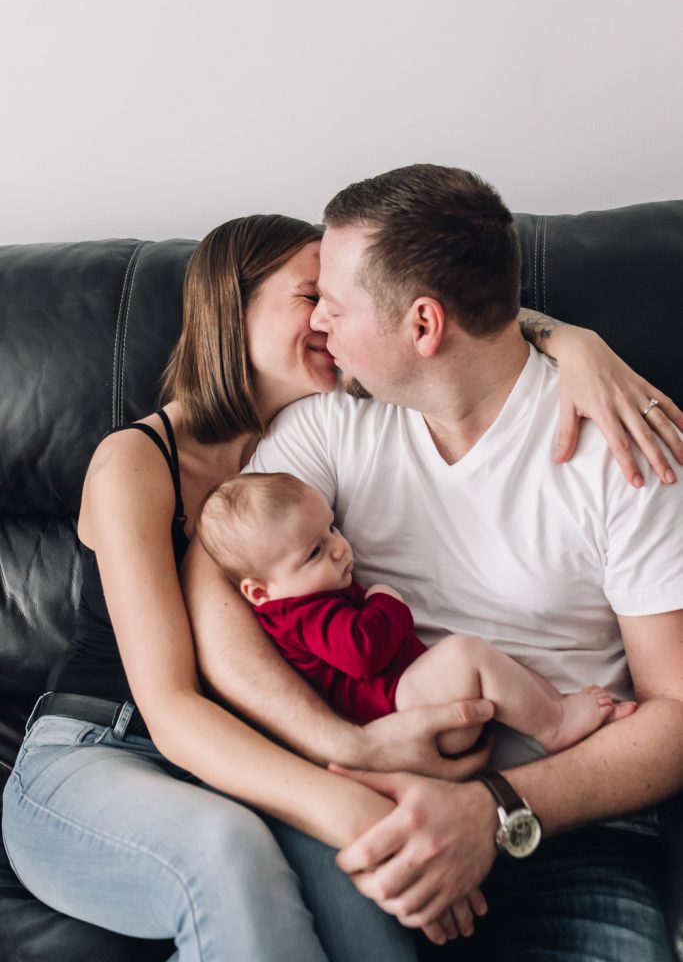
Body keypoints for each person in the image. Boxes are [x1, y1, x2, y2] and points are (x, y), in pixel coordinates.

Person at [2, 210, 680, 960]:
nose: (328, 318)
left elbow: (453, 314)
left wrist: (573, 341)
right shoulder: (144, 459)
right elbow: (172, 708)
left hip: (258, 764)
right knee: (232, 852)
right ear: (234, 310)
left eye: (336, 300)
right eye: (309, 297)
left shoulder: (316, 420)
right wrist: (351, 768)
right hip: (119, 740)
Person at [197, 471, 636, 758]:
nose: (339, 546)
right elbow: (362, 652)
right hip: (398, 717)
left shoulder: (302, 592)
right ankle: (555, 726)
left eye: (331, 527)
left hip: (403, 700)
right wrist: (386, 601)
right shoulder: (300, 615)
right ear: (260, 591)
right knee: (466, 654)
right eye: (314, 552)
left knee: (492, 661)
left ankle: (561, 710)